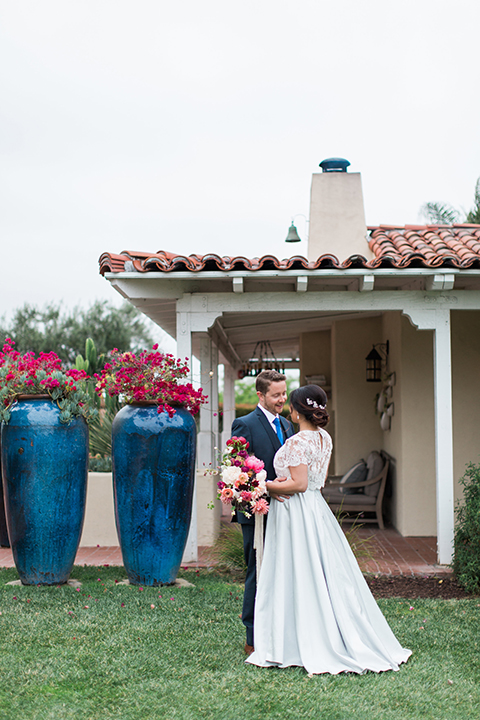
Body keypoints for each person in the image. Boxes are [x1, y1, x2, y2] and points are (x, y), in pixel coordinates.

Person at [246, 384, 411, 675]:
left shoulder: (298, 442)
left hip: (296, 512)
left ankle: (297, 638)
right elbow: (312, 482)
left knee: (297, 569)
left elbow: (297, 484)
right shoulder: (324, 438)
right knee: (319, 569)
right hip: (315, 508)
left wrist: (262, 486)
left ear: (297, 412)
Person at [231, 370, 295, 656]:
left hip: (287, 512)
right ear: (260, 394)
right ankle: (252, 638)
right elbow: (236, 472)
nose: (282, 400)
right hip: (257, 513)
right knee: (257, 573)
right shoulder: (244, 424)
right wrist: (267, 490)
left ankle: (281, 632)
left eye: (284, 393)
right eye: (276, 395)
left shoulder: (288, 425)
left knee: (284, 572)